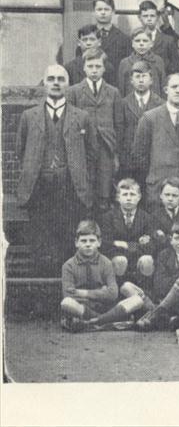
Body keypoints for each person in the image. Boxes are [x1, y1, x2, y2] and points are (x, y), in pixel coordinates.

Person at [16, 65, 97, 274]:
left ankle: (66, 279)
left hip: (69, 185)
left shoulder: (82, 116)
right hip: (39, 185)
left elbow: (91, 153)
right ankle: (43, 282)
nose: (55, 83)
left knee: (66, 233)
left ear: (67, 84)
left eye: (60, 79)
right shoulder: (29, 116)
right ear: (44, 83)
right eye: (51, 79)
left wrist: (79, 177)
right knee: (41, 234)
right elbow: (21, 151)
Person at [132, 73, 179, 206]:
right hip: (160, 189)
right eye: (174, 87)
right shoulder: (150, 118)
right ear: (166, 90)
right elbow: (139, 155)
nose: (178, 90)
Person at [66, 48, 124, 210]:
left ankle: (103, 222)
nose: (94, 70)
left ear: (104, 68)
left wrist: (115, 151)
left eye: (98, 66)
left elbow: (119, 123)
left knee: (105, 188)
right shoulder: (74, 92)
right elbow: (70, 121)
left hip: (106, 146)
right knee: (85, 185)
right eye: (90, 66)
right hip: (83, 146)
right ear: (84, 68)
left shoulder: (113, 92)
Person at [60, 220, 144, 332]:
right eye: (83, 241)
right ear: (76, 243)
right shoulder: (68, 265)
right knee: (66, 303)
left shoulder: (106, 263)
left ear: (99, 242)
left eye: (92, 240)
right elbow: (68, 294)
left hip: (107, 308)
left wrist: (82, 292)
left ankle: (94, 323)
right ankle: (107, 322)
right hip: (84, 308)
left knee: (137, 300)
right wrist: (102, 292)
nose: (88, 244)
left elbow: (113, 294)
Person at [98, 178, 156, 284]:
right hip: (117, 259)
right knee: (120, 261)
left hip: (138, 258)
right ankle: (116, 293)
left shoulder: (147, 218)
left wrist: (125, 245)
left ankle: (145, 292)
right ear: (118, 198)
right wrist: (136, 245)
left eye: (132, 194)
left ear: (139, 197)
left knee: (147, 260)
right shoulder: (108, 217)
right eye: (125, 195)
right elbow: (105, 244)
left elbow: (151, 246)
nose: (129, 198)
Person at [86, 0, 131, 85]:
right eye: (99, 9)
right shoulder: (86, 36)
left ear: (113, 12)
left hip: (114, 87)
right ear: (94, 12)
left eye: (106, 9)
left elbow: (126, 69)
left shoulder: (124, 39)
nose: (103, 13)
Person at [116, 28, 166, 97]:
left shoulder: (158, 61)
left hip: (154, 103)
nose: (141, 44)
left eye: (145, 41)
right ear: (132, 44)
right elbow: (121, 89)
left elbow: (163, 86)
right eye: (137, 41)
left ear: (151, 43)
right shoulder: (125, 63)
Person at [138, 0, 178, 69]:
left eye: (152, 16)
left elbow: (175, 65)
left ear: (157, 17)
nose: (149, 19)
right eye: (145, 16)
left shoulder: (168, 41)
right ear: (139, 18)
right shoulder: (134, 39)